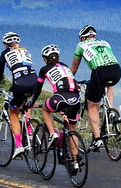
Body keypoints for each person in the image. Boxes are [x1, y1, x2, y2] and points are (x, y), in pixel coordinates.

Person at [70, 25, 121, 152]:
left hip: (99, 71)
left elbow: (74, 67)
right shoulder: (105, 42)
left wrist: (68, 80)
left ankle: (98, 139)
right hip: (116, 70)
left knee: (92, 106)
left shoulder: (81, 45)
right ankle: (111, 110)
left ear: (83, 38)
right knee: (110, 84)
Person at [31, 44, 82, 173]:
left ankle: (53, 133)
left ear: (45, 59)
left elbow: (38, 88)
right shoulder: (65, 67)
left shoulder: (44, 69)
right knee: (71, 129)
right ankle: (75, 161)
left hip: (60, 97)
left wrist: (31, 101)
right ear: (58, 57)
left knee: (45, 108)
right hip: (76, 99)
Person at [0, 32, 38, 159]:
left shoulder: (5, 53)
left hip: (20, 83)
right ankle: (30, 128)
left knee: (13, 111)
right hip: (34, 82)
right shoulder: (25, 50)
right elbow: (23, 70)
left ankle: (19, 145)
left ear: (6, 44)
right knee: (25, 104)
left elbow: (0, 74)